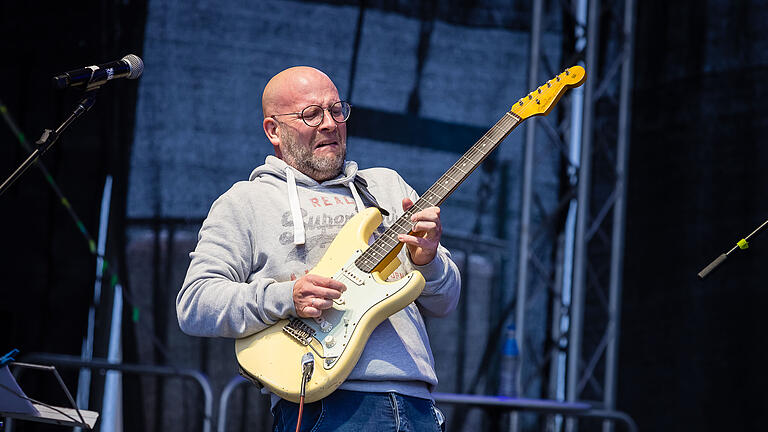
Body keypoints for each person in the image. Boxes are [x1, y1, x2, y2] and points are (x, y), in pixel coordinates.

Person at [177, 66, 460, 431]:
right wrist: (285, 297)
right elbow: (195, 303)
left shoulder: (387, 187)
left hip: (417, 404)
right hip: (324, 407)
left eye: (336, 110)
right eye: (311, 114)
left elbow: (446, 301)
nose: (329, 123)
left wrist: (429, 260)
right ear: (273, 130)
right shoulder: (245, 201)